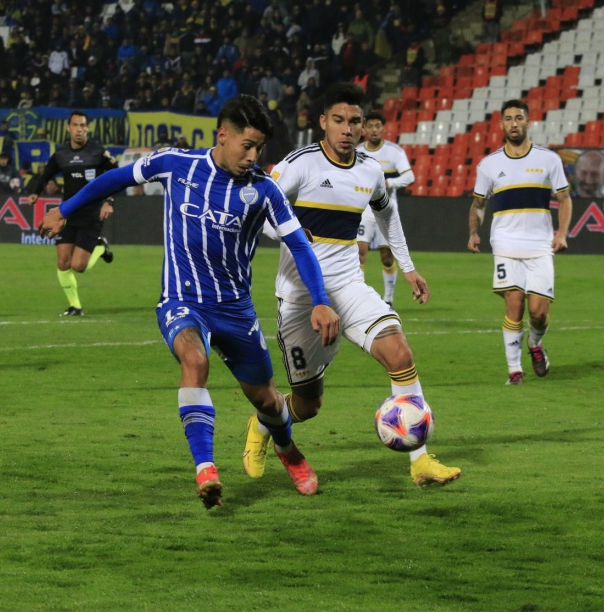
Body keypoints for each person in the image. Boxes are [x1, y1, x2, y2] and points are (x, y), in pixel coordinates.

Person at [38, 96, 340, 508]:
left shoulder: (264, 189)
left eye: (259, 149)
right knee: (194, 362)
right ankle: (206, 470)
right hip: (181, 300)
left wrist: (320, 300)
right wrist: (66, 209)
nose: (252, 156)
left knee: (267, 400)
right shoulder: (177, 164)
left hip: (235, 309)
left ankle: (287, 448)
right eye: (246, 146)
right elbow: (113, 179)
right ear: (223, 136)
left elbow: (299, 245)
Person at [244, 83, 461, 487]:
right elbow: (261, 208)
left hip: (348, 285)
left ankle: (420, 461)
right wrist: (292, 234)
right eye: (339, 120)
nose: (347, 129)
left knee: (399, 352)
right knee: (308, 406)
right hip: (300, 296)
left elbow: (387, 215)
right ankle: (262, 425)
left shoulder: (370, 171)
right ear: (323, 123)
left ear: (364, 126)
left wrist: (408, 267)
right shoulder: (298, 165)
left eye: (355, 121)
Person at [468, 99, 572, 385]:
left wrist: (561, 233)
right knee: (514, 305)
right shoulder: (489, 165)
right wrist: (473, 232)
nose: (514, 123)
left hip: (540, 245)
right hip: (505, 245)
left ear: (529, 122)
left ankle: (535, 344)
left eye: (519, 118)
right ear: (501, 124)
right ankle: (514, 370)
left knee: (538, 313)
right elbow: (478, 204)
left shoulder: (548, 159)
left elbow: (564, 199)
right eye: (508, 119)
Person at [27, 111, 115, 316]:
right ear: (68, 128)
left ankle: (100, 247)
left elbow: (115, 175)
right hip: (67, 213)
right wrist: (35, 193)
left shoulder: (98, 153)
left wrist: (108, 201)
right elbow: (45, 175)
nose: (79, 129)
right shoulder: (61, 155)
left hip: (92, 213)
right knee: (63, 262)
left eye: (83, 125)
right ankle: (75, 306)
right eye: (75, 125)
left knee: (78, 266)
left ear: (87, 128)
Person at [355, 110, 415, 305]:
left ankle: (388, 298)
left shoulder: (395, 152)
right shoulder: (357, 152)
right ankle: (360, 298)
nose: (374, 130)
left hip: (386, 211)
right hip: (364, 211)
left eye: (378, 126)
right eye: (370, 126)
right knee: (359, 252)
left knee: (387, 257)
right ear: (363, 129)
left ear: (383, 128)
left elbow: (409, 177)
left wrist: (389, 183)